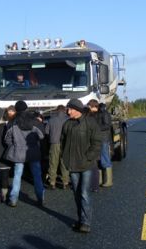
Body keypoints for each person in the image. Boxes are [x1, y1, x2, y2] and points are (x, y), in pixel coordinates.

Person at [61, 98, 102, 233]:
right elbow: (62, 142)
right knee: (76, 194)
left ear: (77, 110)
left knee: (84, 193)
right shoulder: (67, 124)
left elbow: (97, 142)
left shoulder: (90, 123)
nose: (68, 111)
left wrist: (89, 157)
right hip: (72, 165)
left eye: (70, 109)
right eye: (67, 108)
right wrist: (64, 156)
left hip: (86, 165)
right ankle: (80, 219)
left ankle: (86, 223)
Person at [4, 100, 45, 207]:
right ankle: (40, 198)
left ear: (16, 110)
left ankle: (13, 199)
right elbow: (41, 136)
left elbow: (7, 139)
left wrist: (14, 145)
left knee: (17, 176)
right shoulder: (34, 121)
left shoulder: (12, 122)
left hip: (18, 152)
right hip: (33, 150)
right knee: (37, 176)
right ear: (26, 108)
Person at [45, 105, 70, 190]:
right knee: (64, 163)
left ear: (57, 111)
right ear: (64, 110)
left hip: (54, 143)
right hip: (65, 143)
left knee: (53, 163)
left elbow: (46, 132)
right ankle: (65, 182)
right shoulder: (68, 119)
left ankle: (52, 182)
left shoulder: (51, 120)